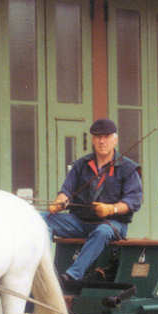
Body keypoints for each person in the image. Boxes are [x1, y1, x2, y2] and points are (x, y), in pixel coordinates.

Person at [43, 118, 143, 284]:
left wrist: (111, 210)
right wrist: (58, 203)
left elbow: (134, 201)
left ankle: (72, 275)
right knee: (41, 218)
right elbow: (66, 191)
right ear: (92, 139)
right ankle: (44, 271)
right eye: (97, 137)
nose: (101, 141)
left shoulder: (128, 168)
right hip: (79, 222)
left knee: (102, 232)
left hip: (112, 224)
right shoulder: (81, 165)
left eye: (106, 136)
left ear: (115, 139)